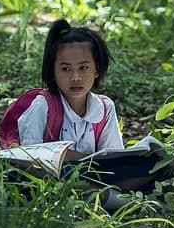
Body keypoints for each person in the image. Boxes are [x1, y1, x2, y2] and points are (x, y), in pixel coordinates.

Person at [11, 20, 124, 155]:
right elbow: (31, 156)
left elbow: (113, 157)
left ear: (97, 69)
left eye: (83, 68)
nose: (75, 77)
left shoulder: (105, 108)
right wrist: (76, 158)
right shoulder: (43, 106)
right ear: (53, 72)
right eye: (66, 69)